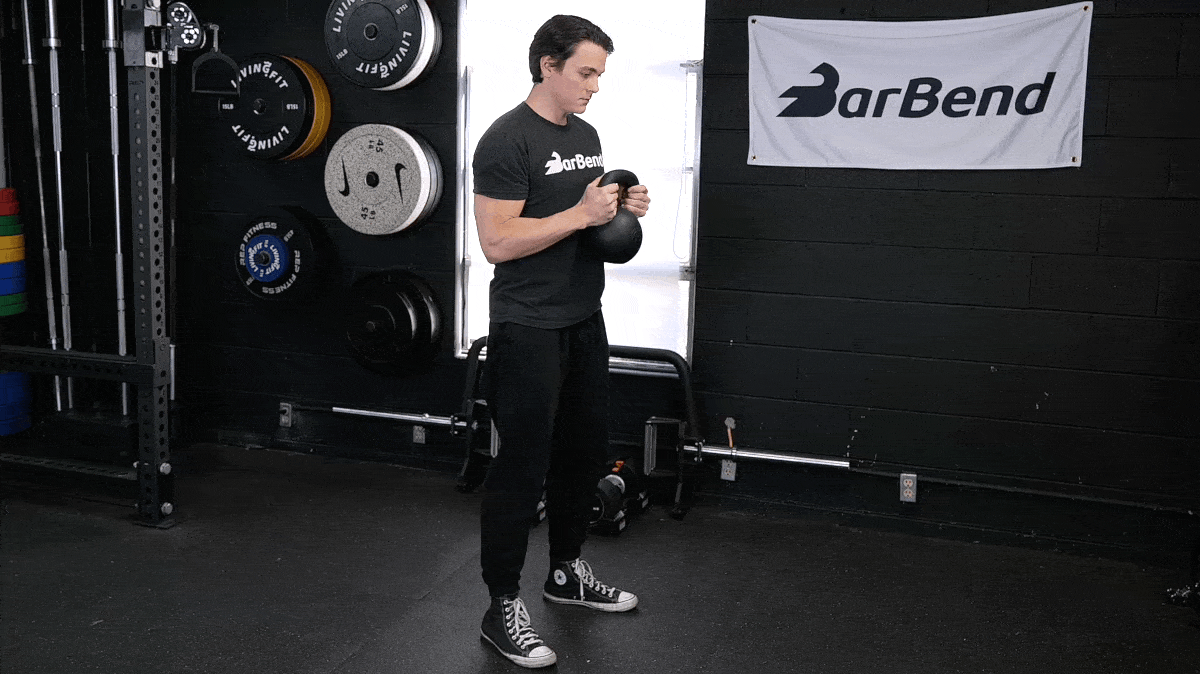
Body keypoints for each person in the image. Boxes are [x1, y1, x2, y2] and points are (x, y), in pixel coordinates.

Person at [471, 14, 651, 670]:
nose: (594, 86)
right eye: (585, 72)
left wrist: (620, 210)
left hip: (582, 317)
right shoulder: (504, 140)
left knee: (583, 453)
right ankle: (501, 605)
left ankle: (566, 572)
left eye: (599, 74)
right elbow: (497, 242)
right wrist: (580, 213)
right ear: (547, 64)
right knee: (521, 464)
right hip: (527, 327)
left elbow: (589, 225)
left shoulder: (588, 135)